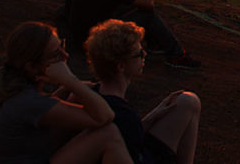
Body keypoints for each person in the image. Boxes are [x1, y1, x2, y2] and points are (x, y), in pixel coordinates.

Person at [0, 21, 133, 164]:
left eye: (62, 45)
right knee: (108, 134)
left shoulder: (3, 78)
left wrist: (67, 90)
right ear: (31, 67)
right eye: (56, 54)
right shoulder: (26, 101)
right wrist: (71, 81)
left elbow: (39, 112)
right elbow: (105, 117)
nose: (65, 55)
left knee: (75, 99)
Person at [86, 20, 201, 164]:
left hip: (136, 150)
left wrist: (153, 115)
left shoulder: (96, 94)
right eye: (139, 54)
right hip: (140, 157)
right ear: (121, 66)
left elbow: (128, 134)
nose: (145, 54)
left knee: (187, 101)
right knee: (189, 102)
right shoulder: (121, 113)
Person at [68, 0, 200, 69]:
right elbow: (149, 4)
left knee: (129, 8)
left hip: (79, 32)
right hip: (94, 38)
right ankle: (176, 56)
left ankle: (154, 42)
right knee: (148, 15)